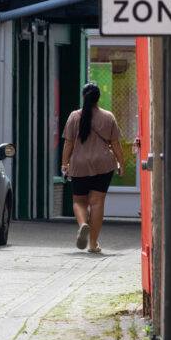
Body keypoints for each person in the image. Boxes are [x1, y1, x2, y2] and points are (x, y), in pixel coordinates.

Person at [61, 82, 125, 253]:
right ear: (98, 98)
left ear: (84, 97)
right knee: (97, 203)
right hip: (103, 164)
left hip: (79, 164)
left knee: (79, 201)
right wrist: (121, 163)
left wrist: (64, 164)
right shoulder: (108, 117)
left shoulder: (74, 116)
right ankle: (92, 244)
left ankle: (83, 225)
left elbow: (68, 144)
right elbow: (115, 144)